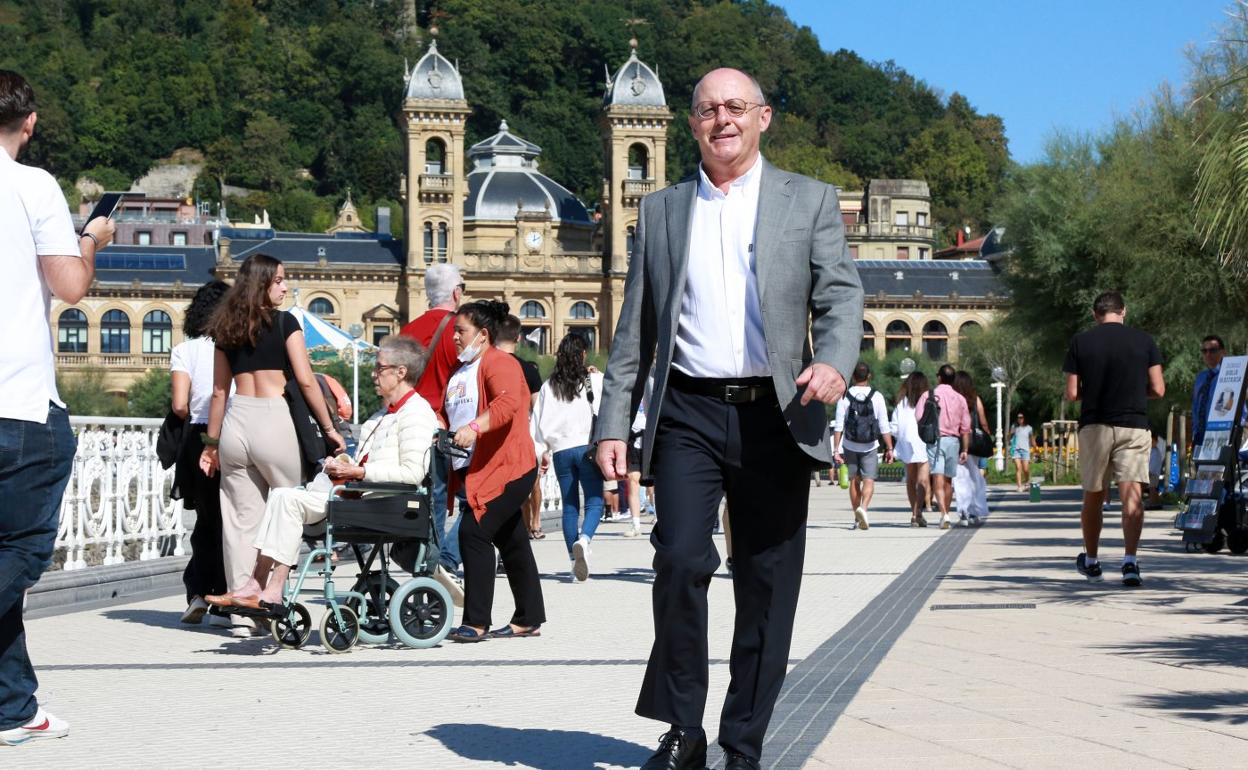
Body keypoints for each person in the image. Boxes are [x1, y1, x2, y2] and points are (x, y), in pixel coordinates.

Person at [594, 67, 864, 770]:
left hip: (779, 413)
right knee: (680, 558)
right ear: (692, 125)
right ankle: (683, 730)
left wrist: (833, 361)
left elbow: (840, 296)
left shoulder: (808, 201)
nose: (723, 119)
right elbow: (633, 336)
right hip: (685, 409)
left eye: (735, 107)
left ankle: (742, 744)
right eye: (709, 109)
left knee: (766, 587)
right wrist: (611, 427)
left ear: (763, 117)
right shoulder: (661, 211)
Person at [0, 69, 116, 746]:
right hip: (17, 400)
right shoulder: (33, 185)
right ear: (31, 122)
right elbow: (70, 285)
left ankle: (13, 708)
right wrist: (92, 236)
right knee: (23, 548)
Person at [206, 336, 438, 611]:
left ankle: (272, 588)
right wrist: (342, 462)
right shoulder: (380, 416)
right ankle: (259, 585)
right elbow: (366, 461)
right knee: (281, 495)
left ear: (401, 372)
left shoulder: (416, 414)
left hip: (381, 501)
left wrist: (358, 470)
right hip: (356, 493)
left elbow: (412, 472)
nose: (373, 374)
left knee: (288, 500)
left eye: (379, 368)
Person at [198, 254, 345, 638]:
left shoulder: (224, 328)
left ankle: (243, 617)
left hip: (235, 423)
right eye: (279, 280)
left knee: (240, 523)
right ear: (262, 283)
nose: (284, 286)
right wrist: (328, 428)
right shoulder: (285, 323)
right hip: (274, 420)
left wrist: (211, 444)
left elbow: (218, 392)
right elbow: (307, 381)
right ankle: (270, 595)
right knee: (289, 507)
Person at [442, 301, 544, 642]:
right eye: (455, 330)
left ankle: (476, 621)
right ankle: (528, 617)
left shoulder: (499, 362)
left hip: (508, 467)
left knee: (473, 533)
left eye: (462, 331)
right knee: (511, 538)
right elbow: (449, 414)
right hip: (480, 468)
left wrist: (475, 426)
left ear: (483, 334)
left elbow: (506, 404)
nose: (455, 336)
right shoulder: (461, 371)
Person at [1063, 290, 1164, 587]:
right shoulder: (1144, 341)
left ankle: (1092, 561)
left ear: (1096, 315)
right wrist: (1135, 393)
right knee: (1131, 494)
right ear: (1124, 311)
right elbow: (1158, 389)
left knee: (1093, 495)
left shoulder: (1081, 341)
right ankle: (1130, 561)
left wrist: (1091, 393)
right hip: (1133, 424)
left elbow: (1071, 393)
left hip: (1095, 425)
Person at [171, 280, 232, 628]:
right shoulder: (235, 346)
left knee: (206, 519)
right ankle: (222, 598)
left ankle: (197, 591)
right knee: (230, 520)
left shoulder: (184, 349)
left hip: (194, 437)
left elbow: (180, 406)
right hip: (226, 432)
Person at [400, 263, 465, 575]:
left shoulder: (407, 331)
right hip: (441, 428)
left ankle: (418, 561)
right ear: (456, 293)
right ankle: (435, 567)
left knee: (413, 499)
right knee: (443, 500)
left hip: (406, 424)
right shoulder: (459, 331)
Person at [534, 333, 606, 582]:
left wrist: (542, 450)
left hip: (561, 452)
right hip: (587, 448)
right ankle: (584, 541)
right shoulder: (593, 379)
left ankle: (573, 560)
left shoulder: (548, 385)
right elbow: (610, 402)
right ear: (583, 354)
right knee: (595, 502)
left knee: (570, 507)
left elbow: (538, 422)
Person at [494, 315, 545, 539]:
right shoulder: (528, 369)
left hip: (490, 443)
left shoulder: (483, 366)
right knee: (520, 492)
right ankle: (521, 535)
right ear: (518, 337)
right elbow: (539, 411)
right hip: (522, 442)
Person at [832, 362, 894, 530]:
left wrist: (836, 450)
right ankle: (864, 508)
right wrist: (889, 448)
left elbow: (839, 425)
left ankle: (856, 518)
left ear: (852, 377)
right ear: (869, 376)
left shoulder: (845, 396)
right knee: (869, 480)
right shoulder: (877, 396)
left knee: (853, 481)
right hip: (870, 445)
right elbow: (884, 425)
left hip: (850, 445)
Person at [915, 364, 970, 530]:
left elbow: (918, 417)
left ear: (939, 377)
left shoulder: (928, 395)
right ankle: (945, 513)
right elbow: (965, 427)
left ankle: (944, 514)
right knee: (948, 480)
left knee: (937, 477)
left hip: (935, 440)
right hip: (954, 441)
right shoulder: (960, 399)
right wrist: (965, 449)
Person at [892, 371, 932, 527]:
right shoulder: (929, 402)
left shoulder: (901, 404)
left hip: (906, 444)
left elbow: (894, 428)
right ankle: (918, 513)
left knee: (910, 479)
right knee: (923, 479)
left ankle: (914, 513)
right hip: (924, 443)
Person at [952, 370, 989, 526]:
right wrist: (987, 436)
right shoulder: (975, 399)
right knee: (975, 477)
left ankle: (963, 512)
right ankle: (975, 510)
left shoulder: (953, 399)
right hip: (974, 442)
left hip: (957, 440)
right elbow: (983, 421)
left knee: (959, 478)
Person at [1192, 335, 1225, 449]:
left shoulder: (1231, 375)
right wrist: (1195, 431)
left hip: (1223, 434)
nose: (1208, 354)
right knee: (1202, 467)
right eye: (1204, 351)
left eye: (1212, 350)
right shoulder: (1201, 378)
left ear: (1223, 352)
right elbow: (1196, 406)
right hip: (1200, 435)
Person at [1010, 412, 1036, 493]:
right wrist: (1010, 434)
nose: (1019, 419)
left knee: (1026, 469)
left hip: (1025, 450)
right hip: (1016, 450)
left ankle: (1027, 483)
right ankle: (1019, 486)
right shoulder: (1014, 427)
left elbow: (1032, 439)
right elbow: (1009, 437)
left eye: (1021, 417)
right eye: (1018, 417)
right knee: (1018, 468)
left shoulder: (1029, 428)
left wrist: (1036, 450)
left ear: (1024, 418)